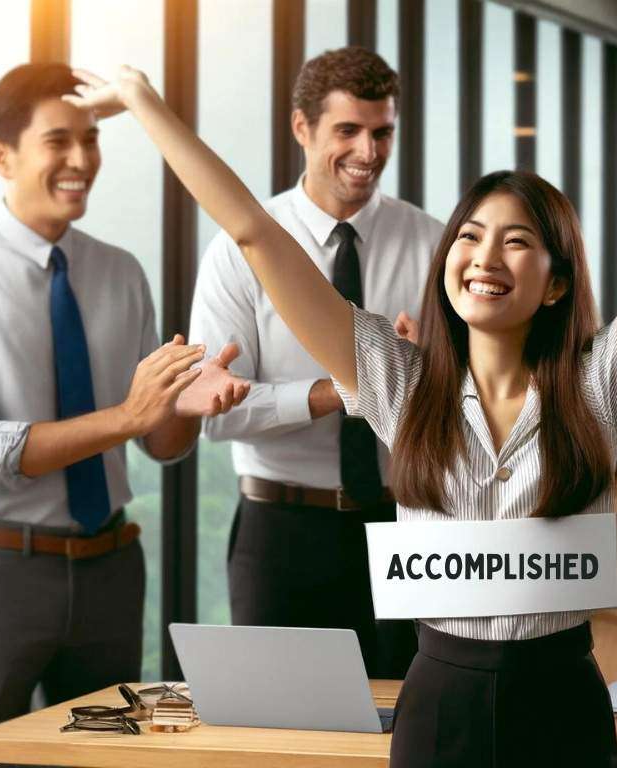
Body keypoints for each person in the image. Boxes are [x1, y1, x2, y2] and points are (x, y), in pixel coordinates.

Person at [66, 3, 617, 763]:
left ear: (555, 282)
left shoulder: (599, 390)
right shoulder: (399, 384)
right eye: (471, 236)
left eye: (517, 242)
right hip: (440, 695)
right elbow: (253, 233)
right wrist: (144, 103)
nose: (485, 256)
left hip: (563, 698)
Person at [0, 62, 247, 768]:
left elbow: (158, 443)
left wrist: (184, 406)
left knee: (103, 763)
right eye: (58, 141)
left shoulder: (121, 271)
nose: (82, 160)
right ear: (1, 155)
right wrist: (128, 416)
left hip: (109, 570)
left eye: (91, 140)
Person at [189, 47, 436, 679]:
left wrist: (432, 370)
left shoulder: (434, 244)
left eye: (382, 132)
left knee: (410, 715)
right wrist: (340, 391)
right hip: (282, 531)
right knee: (280, 721)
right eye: (348, 131)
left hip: (408, 527)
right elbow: (216, 415)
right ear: (302, 128)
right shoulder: (239, 250)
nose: (369, 152)